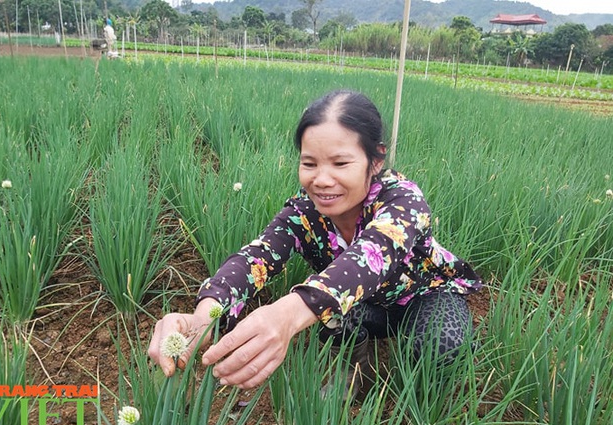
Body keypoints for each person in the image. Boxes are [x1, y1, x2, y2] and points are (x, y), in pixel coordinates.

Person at [148, 90, 483, 398]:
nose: (321, 180)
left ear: (376, 160)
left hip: (424, 297)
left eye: (340, 163)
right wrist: (203, 317)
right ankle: (354, 372)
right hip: (364, 307)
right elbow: (257, 257)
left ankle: (424, 404)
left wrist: (288, 313)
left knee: (442, 344)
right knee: (326, 306)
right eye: (309, 163)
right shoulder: (305, 211)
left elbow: (370, 257)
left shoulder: (404, 201)